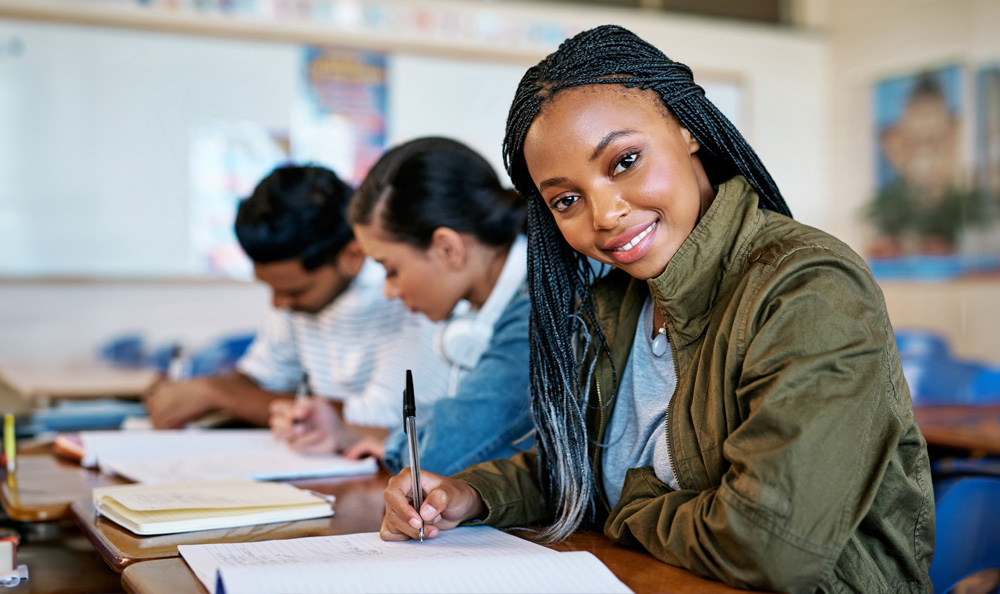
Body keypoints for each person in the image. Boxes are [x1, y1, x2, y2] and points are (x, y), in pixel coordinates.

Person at [380, 25, 935, 594]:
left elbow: (771, 544)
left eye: (624, 161)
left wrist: (630, 506)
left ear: (688, 129)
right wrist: (467, 495)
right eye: (566, 199)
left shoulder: (810, 286)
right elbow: (587, 464)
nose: (605, 214)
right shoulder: (616, 301)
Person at [270, 137, 534, 477]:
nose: (389, 291)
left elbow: (447, 454)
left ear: (447, 249)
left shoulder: (532, 310)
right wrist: (345, 432)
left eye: (390, 269)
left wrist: (393, 445)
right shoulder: (499, 302)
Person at [145, 164, 451, 432]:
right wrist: (190, 392)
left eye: (295, 291)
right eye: (272, 288)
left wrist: (218, 394)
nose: (279, 304)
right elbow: (260, 381)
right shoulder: (297, 301)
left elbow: (381, 421)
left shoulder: (406, 296)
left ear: (352, 256)